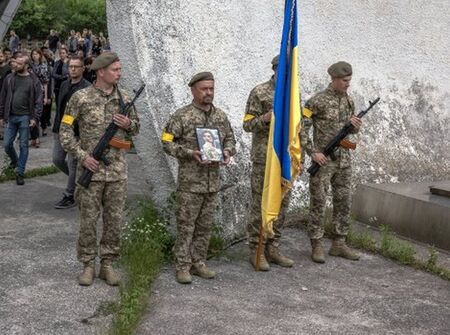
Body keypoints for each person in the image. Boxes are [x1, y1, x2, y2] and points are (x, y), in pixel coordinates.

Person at [60, 52, 140, 286]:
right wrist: (82, 157)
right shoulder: (80, 98)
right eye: (115, 69)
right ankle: (87, 265)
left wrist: (129, 124)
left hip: (117, 172)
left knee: (114, 220)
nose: (119, 73)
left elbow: (136, 128)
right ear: (101, 72)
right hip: (91, 172)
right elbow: (65, 132)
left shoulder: (125, 98)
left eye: (120, 69)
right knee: (87, 220)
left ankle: (108, 264)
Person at [161, 72, 236, 284]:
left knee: (205, 226)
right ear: (193, 90)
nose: (209, 93)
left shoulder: (220, 116)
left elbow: (230, 139)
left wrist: (228, 152)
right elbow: (166, 142)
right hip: (190, 184)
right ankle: (182, 266)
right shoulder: (181, 116)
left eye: (211, 88)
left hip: (213, 183)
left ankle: (199, 262)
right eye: (204, 89)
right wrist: (189, 153)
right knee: (186, 226)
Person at [243, 55, 302, 271]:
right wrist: (265, 118)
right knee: (261, 203)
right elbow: (247, 124)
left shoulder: (292, 95)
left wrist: (298, 157)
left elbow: (298, 128)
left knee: (282, 203)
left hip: (284, 159)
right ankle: (256, 249)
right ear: (275, 70)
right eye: (282, 70)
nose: (285, 75)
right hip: (264, 159)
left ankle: (273, 247)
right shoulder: (259, 92)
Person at [300, 61, 362, 263]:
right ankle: (316, 244)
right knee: (318, 202)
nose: (347, 84)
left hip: (344, 160)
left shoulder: (349, 101)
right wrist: (313, 152)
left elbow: (350, 132)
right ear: (334, 79)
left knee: (343, 202)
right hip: (323, 161)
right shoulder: (316, 101)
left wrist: (354, 126)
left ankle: (339, 243)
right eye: (344, 80)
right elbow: (301, 129)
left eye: (349, 80)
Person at [52, 56, 90, 209]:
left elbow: (87, 114)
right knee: (57, 160)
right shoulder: (64, 85)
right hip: (61, 129)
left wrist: (82, 135)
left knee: (73, 164)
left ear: (82, 69)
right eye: (71, 66)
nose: (73, 69)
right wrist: (56, 128)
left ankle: (70, 195)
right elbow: (60, 109)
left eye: (76, 66)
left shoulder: (87, 88)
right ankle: (80, 182)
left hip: (76, 132)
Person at [0, 54, 43, 185]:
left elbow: (39, 100)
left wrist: (35, 117)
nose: (15, 65)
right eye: (15, 63)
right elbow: (3, 97)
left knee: (24, 145)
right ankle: (15, 161)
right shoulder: (9, 78)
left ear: (26, 65)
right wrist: (1, 115)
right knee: (7, 144)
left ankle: (20, 172)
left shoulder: (33, 80)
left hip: (25, 117)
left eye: (19, 64)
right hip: (11, 116)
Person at [30, 48, 50, 146]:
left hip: (40, 91)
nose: (34, 56)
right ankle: (36, 137)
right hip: (30, 92)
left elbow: (46, 82)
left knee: (40, 113)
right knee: (33, 114)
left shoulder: (44, 66)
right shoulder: (30, 66)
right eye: (33, 54)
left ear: (40, 55)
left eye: (36, 54)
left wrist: (46, 96)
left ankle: (43, 127)